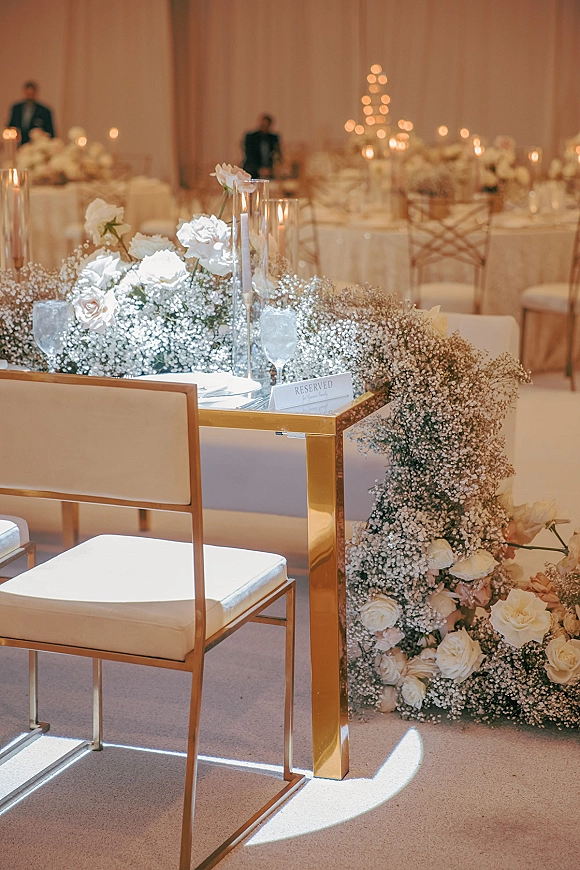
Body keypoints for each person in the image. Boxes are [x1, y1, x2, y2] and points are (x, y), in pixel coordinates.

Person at [242, 114, 282, 179]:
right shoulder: (251, 137)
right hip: (253, 168)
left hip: (270, 169)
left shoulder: (273, 138)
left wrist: (271, 169)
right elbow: (249, 155)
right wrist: (259, 170)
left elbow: (277, 154)